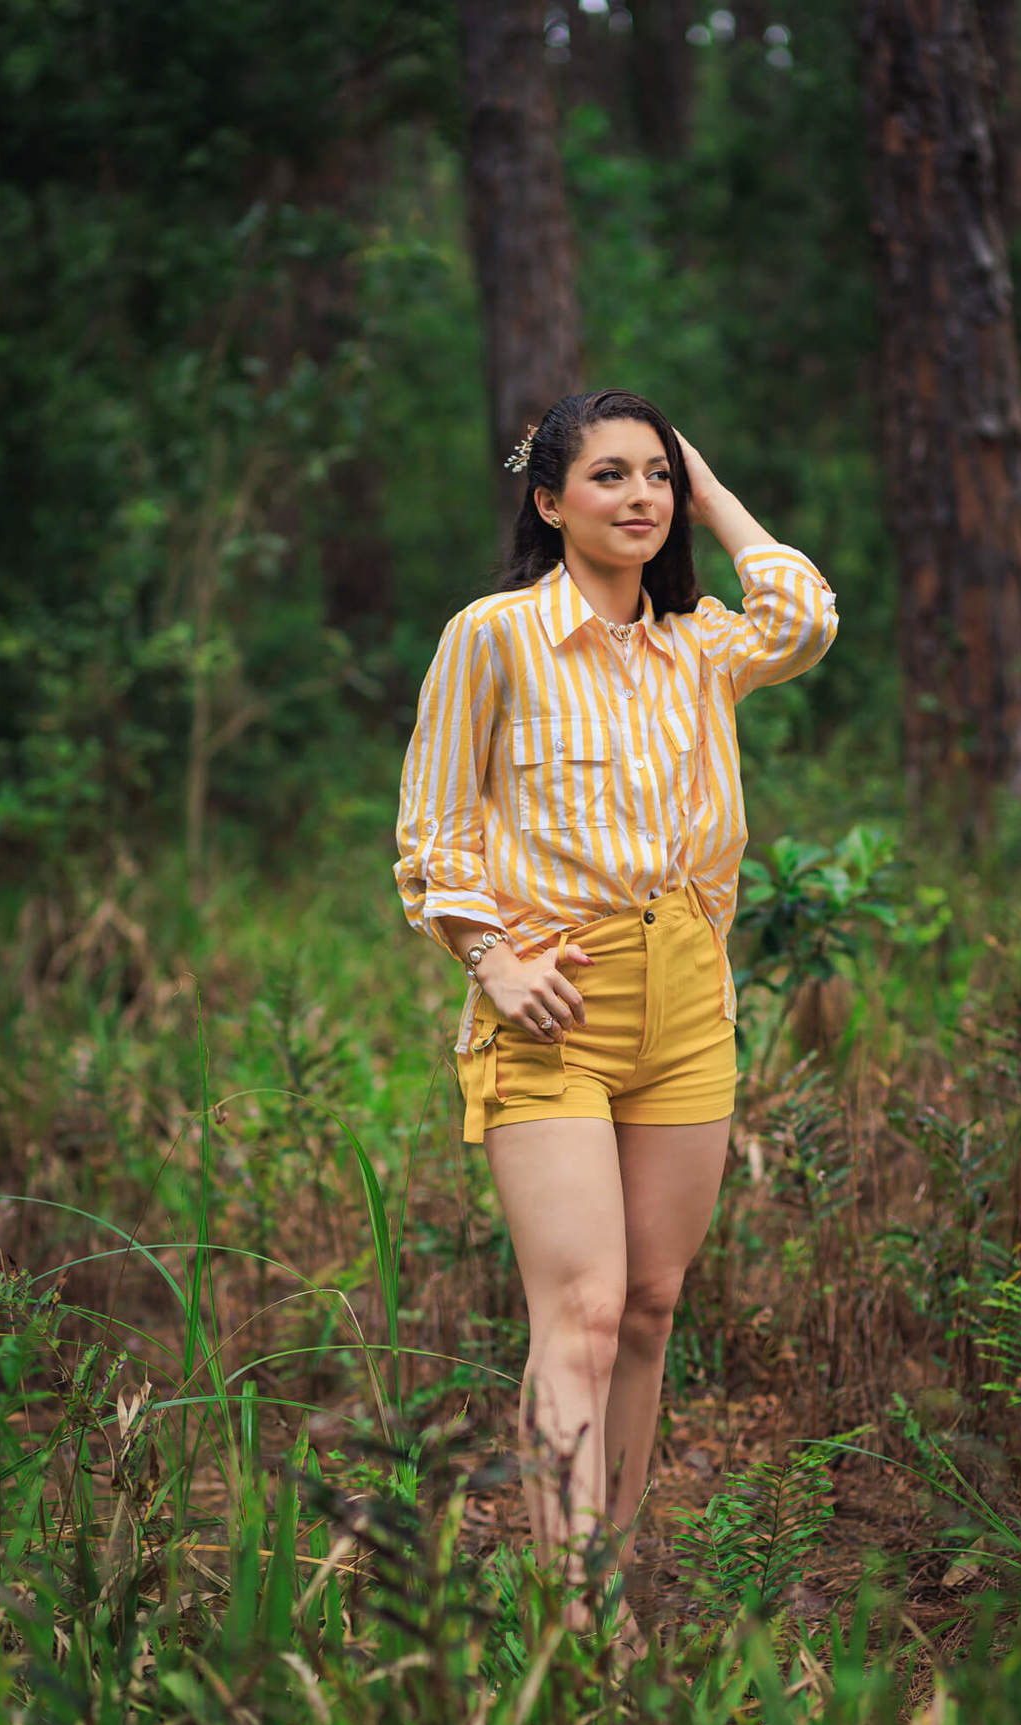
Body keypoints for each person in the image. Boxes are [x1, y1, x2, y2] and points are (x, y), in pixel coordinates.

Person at [394, 388, 837, 1651]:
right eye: (607, 477)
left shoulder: (698, 646)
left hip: (689, 999)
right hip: (554, 1000)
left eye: (654, 478)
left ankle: (612, 1568)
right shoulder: (494, 637)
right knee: (580, 1310)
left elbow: (804, 614)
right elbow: (432, 832)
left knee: (649, 1303)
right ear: (548, 502)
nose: (637, 498)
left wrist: (707, 482)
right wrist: (486, 954)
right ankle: (574, 1623)